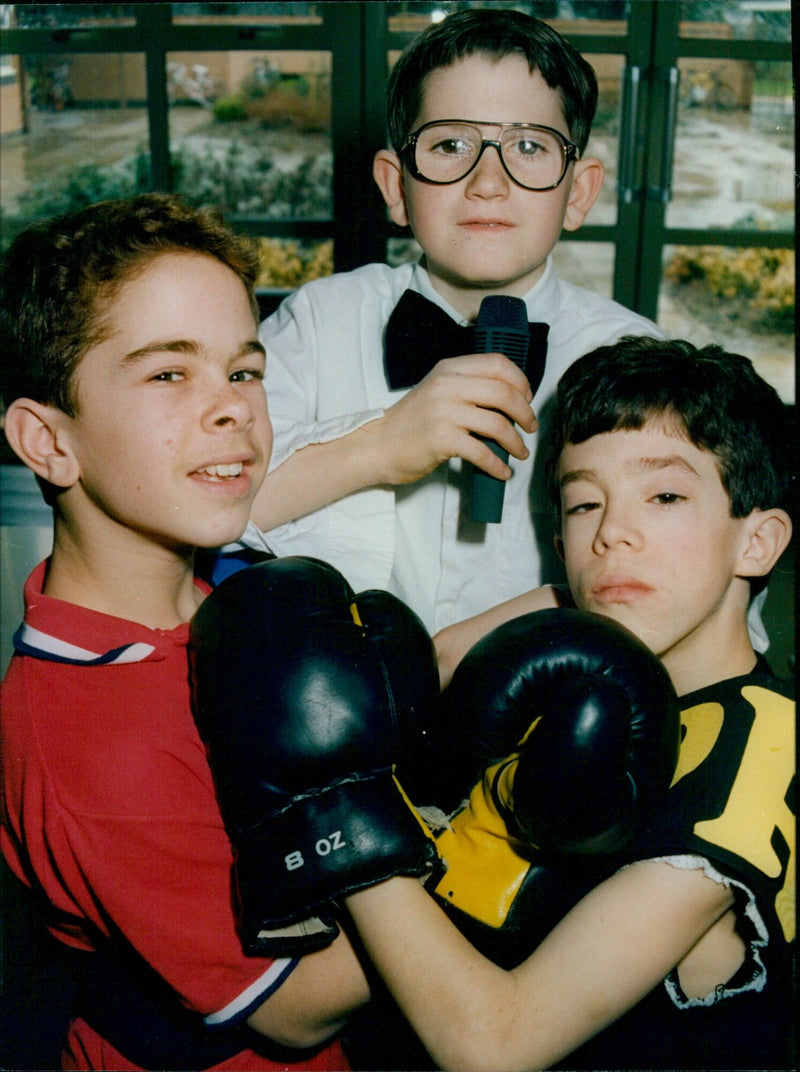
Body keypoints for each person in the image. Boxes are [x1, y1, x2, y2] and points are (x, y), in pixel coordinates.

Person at [341, 336, 795, 1070]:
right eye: (584, 503)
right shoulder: (581, 683)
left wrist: (340, 811)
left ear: (757, 541)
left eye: (666, 496)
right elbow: (445, 663)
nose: (611, 532)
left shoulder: (766, 746)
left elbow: (496, 1044)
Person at [0, 193, 374, 1071]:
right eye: (169, 373)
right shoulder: (91, 740)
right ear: (48, 443)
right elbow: (297, 1009)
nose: (233, 409)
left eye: (243, 372)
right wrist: (503, 843)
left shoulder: (223, 606)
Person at [229, 8, 665, 635]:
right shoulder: (319, 322)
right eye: (450, 144)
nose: (488, 182)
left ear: (579, 193)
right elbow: (207, 505)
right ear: (396, 186)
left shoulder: (637, 356)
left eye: (529, 147)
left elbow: (683, 583)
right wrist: (380, 445)